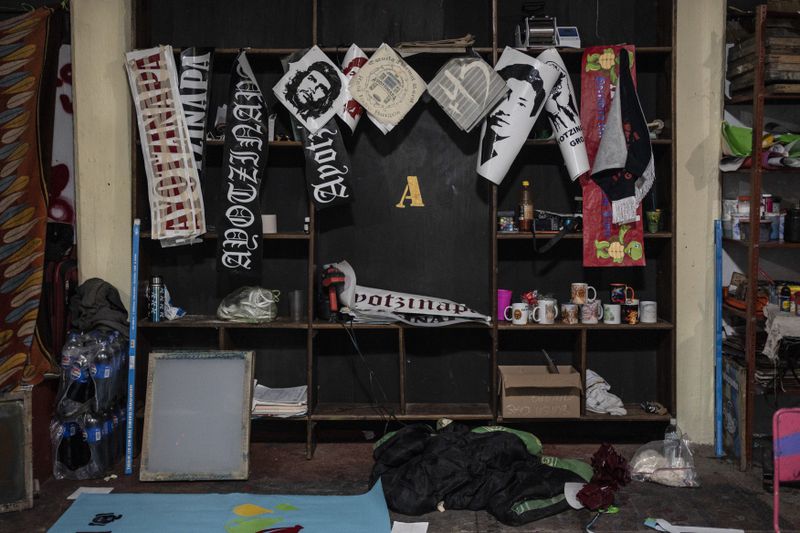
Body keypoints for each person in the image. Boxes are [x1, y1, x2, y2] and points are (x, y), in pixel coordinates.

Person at [479, 63, 547, 167]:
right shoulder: (482, 145)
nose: (504, 110)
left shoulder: (522, 157)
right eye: (504, 97)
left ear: (531, 113)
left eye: (521, 103)